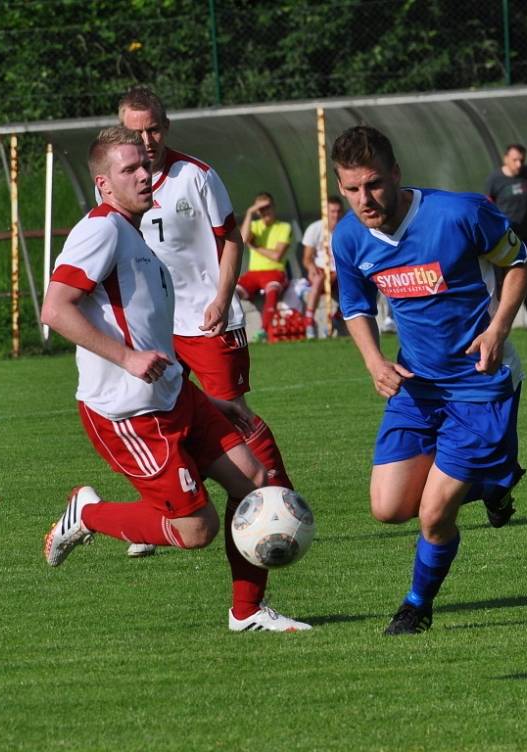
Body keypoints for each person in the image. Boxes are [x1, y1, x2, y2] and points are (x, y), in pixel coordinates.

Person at [41, 126, 309, 632]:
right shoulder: (100, 229)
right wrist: (125, 358)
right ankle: (87, 514)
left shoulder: (134, 236)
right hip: (129, 415)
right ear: (104, 184)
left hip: (176, 397)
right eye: (129, 170)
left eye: (145, 165)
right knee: (196, 528)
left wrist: (206, 398)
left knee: (254, 477)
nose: (145, 175)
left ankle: (247, 613)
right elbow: (55, 309)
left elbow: (149, 335)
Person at [329, 125, 527, 635]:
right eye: (350, 188)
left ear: (396, 174)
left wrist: (497, 328)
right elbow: (355, 305)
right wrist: (374, 362)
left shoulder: (459, 213)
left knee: (434, 514)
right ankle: (491, 483)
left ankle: (416, 606)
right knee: (388, 507)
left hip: (480, 384)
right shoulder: (350, 235)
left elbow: (518, 262)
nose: (364, 199)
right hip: (416, 386)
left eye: (373, 184)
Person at [116, 87, 306, 631]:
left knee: (234, 419)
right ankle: (166, 512)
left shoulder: (196, 176)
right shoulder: (119, 187)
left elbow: (231, 240)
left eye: (153, 129)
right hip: (155, 331)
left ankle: (270, 497)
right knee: (162, 423)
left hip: (206, 320)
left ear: (167, 127)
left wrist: (222, 298)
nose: (146, 141)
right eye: (135, 133)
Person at [485, 143, 527, 331]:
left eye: (522, 160)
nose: (519, 164)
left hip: (525, 236)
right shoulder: (495, 179)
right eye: (515, 160)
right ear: (506, 159)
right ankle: (495, 324)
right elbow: (488, 206)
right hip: (503, 239)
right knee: (499, 282)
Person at [236, 192, 293, 337]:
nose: (264, 211)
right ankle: (231, 331)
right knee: (232, 292)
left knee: (272, 290)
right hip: (254, 273)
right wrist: (249, 212)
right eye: (260, 209)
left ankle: (264, 331)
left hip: (275, 271)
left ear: (274, 207)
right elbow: (242, 239)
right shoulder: (254, 225)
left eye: (267, 207)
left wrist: (254, 246)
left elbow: (276, 256)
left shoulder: (284, 227)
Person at [301, 195, 344, 339]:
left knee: (354, 284)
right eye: (332, 211)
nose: (336, 215)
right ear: (325, 212)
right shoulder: (315, 228)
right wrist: (311, 267)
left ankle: (336, 318)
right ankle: (309, 320)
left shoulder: (346, 229)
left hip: (340, 274)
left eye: (338, 211)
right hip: (321, 272)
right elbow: (307, 258)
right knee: (319, 278)